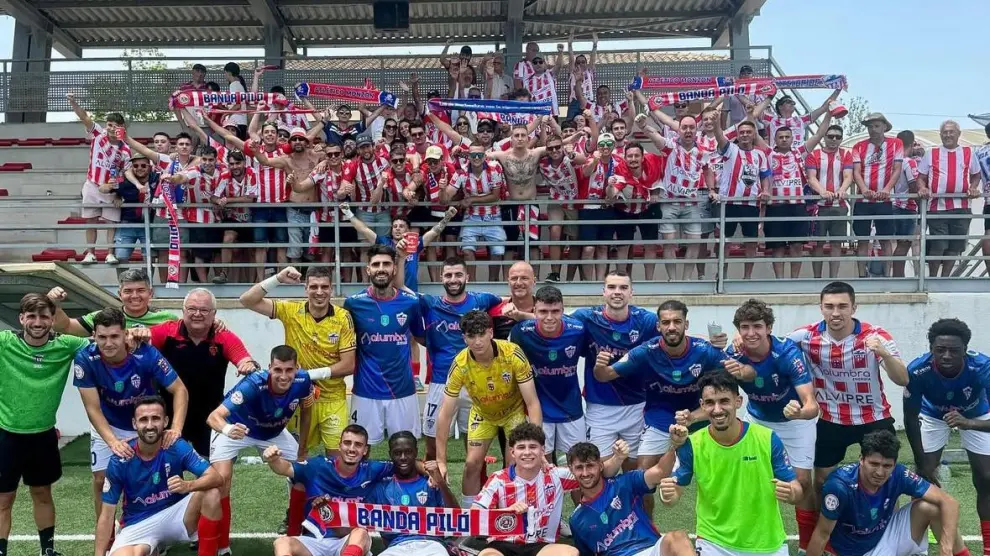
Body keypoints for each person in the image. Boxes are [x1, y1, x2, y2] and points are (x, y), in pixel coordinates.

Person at [786, 281, 908, 549]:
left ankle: (889, 540)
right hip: (831, 419)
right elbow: (771, 346)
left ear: (854, 308)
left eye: (842, 306)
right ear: (821, 308)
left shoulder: (875, 336)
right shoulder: (805, 336)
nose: (836, 313)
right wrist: (737, 339)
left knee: (886, 480)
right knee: (821, 481)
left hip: (873, 418)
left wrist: (884, 354)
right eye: (829, 306)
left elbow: (902, 378)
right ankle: (826, 537)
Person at [592, 299, 728, 517]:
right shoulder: (646, 351)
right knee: (642, 475)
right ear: (658, 326)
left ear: (686, 324)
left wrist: (693, 416)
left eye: (677, 321)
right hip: (660, 418)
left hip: (701, 418)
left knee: (721, 474)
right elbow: (604, 375)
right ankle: (646, 527)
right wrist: (599, 367)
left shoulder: (705, 351)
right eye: (666, 322)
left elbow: (735, 381)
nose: (671, 327)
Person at [206, 345, 334, 553]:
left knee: (305, 472)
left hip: (273, 432)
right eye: (278, 370)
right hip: (237, 428)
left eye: (289, 370)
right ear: (269, 368)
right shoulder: (253, 383)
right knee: (221, 480)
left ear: (297, 368)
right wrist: (229, 430)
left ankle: (296, 536)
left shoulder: (303, 381)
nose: (283, 376)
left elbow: (307, 411)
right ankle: (222, 547)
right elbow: (213, 417)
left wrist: (302, 450)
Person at [662, 371, 805, 556]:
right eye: (710, 403)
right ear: (702, 405)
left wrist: (791, 492)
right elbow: (673, 496)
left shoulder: (767, 439)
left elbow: (796, 490)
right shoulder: (692, 444)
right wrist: (667, 495)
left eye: (724, 401)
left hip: (766, 544)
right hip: (714, 543)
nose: (717, 410)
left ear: (738, 401)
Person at [72, 307, 190, 522]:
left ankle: (158, 526)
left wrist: (176, 429)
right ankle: (107, 532)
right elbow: (92, 408)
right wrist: (113, 442)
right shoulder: (85, 358)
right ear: (94, 335)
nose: (108, 343)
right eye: (102, 337)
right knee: (101, 480)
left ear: (125, 334)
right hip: (108, 424)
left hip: (145, 424)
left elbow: (180, 390)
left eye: (114, 336)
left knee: (152, 478)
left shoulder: (146, 353)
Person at [723, 299, 820, 549]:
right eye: (745, 327)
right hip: (757, 420)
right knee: (749, 481)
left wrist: (799, 413)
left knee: (802, 484)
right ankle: (749, 540)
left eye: (757, 326)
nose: (751, 333)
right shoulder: (733, 354)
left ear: (769, 328)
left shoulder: (787, 354)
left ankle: (807, 546)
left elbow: (812, 405)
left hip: (795, 423)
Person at [0, 294, 91, 556]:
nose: (37, 322)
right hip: (6, 435)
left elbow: (107, 343)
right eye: (31, 316)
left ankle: (47, 550)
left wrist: (135, 335)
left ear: (53, 319)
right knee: (4, 499)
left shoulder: (67, 345)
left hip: (43, 436)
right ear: (21, 319)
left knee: (42, 494)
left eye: (44, 316)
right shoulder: (5, 342)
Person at [239, 266, 356, 456]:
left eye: (324, 287)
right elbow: (247, 300)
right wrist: (278, 278)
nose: (319, 292)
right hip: (297, 397)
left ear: (331, 289)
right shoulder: (291, 310)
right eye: (314, 287)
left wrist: (306, 375)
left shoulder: (343, 317)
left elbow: (349, 365)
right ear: (306, 288)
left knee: (337, 460)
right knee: (297, 457)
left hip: (333, 398)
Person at [435, 310, 542, 506]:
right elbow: (445, 414)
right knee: (471, 464)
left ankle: (510, 513)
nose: (477, 342)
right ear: (464, 338)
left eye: (481, 334)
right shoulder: (460, 364)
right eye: (471, 336)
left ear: (491, 333)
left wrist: (537, 444)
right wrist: (441, 460)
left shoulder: (512, 353)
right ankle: (470, 516)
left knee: (514, 464)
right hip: (483, 414)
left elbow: (532, 402)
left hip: (513, 412)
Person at [96, 396, 225, 556]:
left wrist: (188, 486)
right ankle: (151, 549)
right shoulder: (120, 459)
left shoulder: (177, 446)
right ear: (134, 424)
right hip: (139, 523)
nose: (150, 425)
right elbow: (107, 514)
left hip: (177, 515)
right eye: (143, 420)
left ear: (165, 421)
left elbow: (216, 478)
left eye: (155, 418)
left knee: (211, 492)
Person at [134, 288, 255, 459]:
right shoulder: (166, 332)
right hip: (170, 413)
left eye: (204, 310)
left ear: (214, 314)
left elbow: (244, 359)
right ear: (183, 311)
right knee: (166, 467)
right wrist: (137, 332)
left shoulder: (223, 336)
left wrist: (247, 364)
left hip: (210, 414)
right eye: (192, 309)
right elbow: (134, 340)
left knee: (218, 468)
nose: (197, 314)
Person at [903, 318, 990, 552]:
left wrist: (968, 423)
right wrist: (921, 461)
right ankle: (917, 547)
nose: (947, 356)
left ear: (965, 350)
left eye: (954, 350)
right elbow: (910, 418)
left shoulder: (983, 367)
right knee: (922, 478)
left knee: (987, 477)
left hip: (975, 413)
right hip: (933, 414)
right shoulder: (917, 369)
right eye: (940, 350)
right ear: (931, 349)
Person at [808, 430, 968, 556]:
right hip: (856, 552)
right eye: (874, 464)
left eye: (887, 466)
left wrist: (946, 548)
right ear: (861, 459)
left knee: (932, 507)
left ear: (894, 464)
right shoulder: (839, 486)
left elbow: (950, 502)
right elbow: (821, 534)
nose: (880, 472)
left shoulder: (898, 473)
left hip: (886, 535)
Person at [414, 257, 503, 460]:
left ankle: (476, 482)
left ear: (467, 277)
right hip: (441, 382)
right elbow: (401, 290)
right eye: (448, 275)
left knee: (475, 448)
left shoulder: (483, 300)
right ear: (441, 278)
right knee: (432, 448)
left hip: (475, 383)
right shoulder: (430, 303)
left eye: (458, 275)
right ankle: (434, 481)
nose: (453, 279)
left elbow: (506, 306)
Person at [572, 271, 658, 465]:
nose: (617, 292)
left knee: (634, 472)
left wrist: (714, 342)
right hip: (600, 408)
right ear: (603, 291)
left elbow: (676, 336)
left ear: (631, 292)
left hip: (637, 407)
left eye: (623, 287)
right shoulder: (586, 318)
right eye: (611, 287)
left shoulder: (647, 321)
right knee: (599, 469)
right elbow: (551, 321)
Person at [343, 243, 425, 445]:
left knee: (406, 449)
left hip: (402, 391)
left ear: (394, 269)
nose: (381, 269)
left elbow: (422, 338)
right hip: (365, 391)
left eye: (386, 264)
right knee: (359, 450)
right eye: (376, 264)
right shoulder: (353, 304)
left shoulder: (411, 303)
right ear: (368, 269)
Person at [262, 424, 385, 556]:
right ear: (339, 445)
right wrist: (273, 460)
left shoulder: (373, 470)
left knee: (361, 533)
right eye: (347, 443)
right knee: (281, 543)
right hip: (316, 541)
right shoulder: (318, 467)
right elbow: (285, 468)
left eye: (358, 445)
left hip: (347, 541)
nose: (351, 449)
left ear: (365, 450)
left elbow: (400, 468)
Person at [567, 441, 695, 556]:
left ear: (600, 466)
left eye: (590, 466)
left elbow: (660, 471)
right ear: (571, 469)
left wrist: (675, 445)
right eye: (579, 467)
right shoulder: (577, 520)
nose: (585, 473)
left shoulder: (625, 483)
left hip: (651, 549)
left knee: (677, 538)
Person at [474, 423, 579, 556]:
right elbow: (474, 517)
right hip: (502, 544)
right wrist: (506, 512)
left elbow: (593, 474)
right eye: (521, 447)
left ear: (542, 450)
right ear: (512, 452)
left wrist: (609, 458)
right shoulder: (498, 479)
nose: (527, 452)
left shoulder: (556, 476)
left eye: (533, 447)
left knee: (570, 553)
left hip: (541, 546)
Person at [510, 286, 585, 461]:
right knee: (542, 463)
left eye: (555, 311)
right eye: (543, 311)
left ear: (563, 311)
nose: (549, 317)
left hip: (571, 409)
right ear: (534, 311)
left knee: (577, 464)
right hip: (538, 410)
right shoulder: (520, 332)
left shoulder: (578, 330)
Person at [67, 92, 130, 265]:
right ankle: (90, 253)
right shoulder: (98, 134)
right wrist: (74, 103)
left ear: (122, 128)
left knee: (111, 223)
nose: (111, 128)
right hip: (92, 184)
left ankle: (110, 253)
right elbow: (85, 117)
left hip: (112, 189)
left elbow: (125, 174)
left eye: (115, 126)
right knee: (91, 221)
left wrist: (118, 193)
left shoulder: (125, 149)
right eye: (109, 124)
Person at [372, 433, 458, 556]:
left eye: (408, 452)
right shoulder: (381, 487)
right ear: (390, 454)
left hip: (431, 545)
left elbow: (457, 517)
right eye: (397, 453)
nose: (403, 457)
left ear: (416, 452)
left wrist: (441, 483)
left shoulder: (431, 482)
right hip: (396, 547)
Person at [918, 119, 982, 277]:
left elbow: (976, 174)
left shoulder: (968, 152)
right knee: (939, 244)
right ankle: (933, 278)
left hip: (962, 207)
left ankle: (945, 278)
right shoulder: (931, 153)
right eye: (945, 132)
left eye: (951, 132)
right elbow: (921, 177)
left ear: (959, 134)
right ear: (940, 135)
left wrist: (973, 187)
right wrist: (922, 188)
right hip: (937, 207)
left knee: (955, 245)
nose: (948, 135)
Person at [711, 117, 770, 280]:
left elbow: (764, 175)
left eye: (748, 132)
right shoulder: (731, 149)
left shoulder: (760, 154)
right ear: (737, 135)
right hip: (728, 203)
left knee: (751, 242)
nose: (745, 135)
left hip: (751, 204)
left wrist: (766, 190)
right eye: (742, 132)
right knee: (723, 241)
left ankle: (747, 277)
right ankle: (722, 275)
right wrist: (716, 124)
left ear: (754, 134)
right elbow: (720, 137)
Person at [49, 269, 177, 337]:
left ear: (150, 293)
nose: (134, 296)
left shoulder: (168, 319)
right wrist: (54, 304)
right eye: (128, 291)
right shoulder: (102, 317)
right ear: (119, 294)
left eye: (140, 290)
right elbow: (65, 327)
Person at [851, 113, 901, 278]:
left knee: (886, 239)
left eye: (876, 126)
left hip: (884, 200)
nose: (873, 129)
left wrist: (887, 189)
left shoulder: (896, 144)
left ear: (884, 127)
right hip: (863, 200)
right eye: (870, 126)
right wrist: (864, 189)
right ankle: (861, 275)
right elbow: (856, 171)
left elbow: (897, 170)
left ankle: (887, 275)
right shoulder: (859, 146)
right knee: (862, 239)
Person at [805, 124, 853, 279]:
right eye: (830, 136)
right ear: (824, 137)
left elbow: (848, 176)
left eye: (837, 137)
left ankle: (834, 279)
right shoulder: (814, 154)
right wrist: (822, 192)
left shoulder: (846, 154)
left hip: (839, 206)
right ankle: (817, 279)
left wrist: (842, 190)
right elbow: (811, 178)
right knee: (817, 244)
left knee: (836, 243)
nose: (834, 139)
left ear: (841, 139)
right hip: (818, 206)